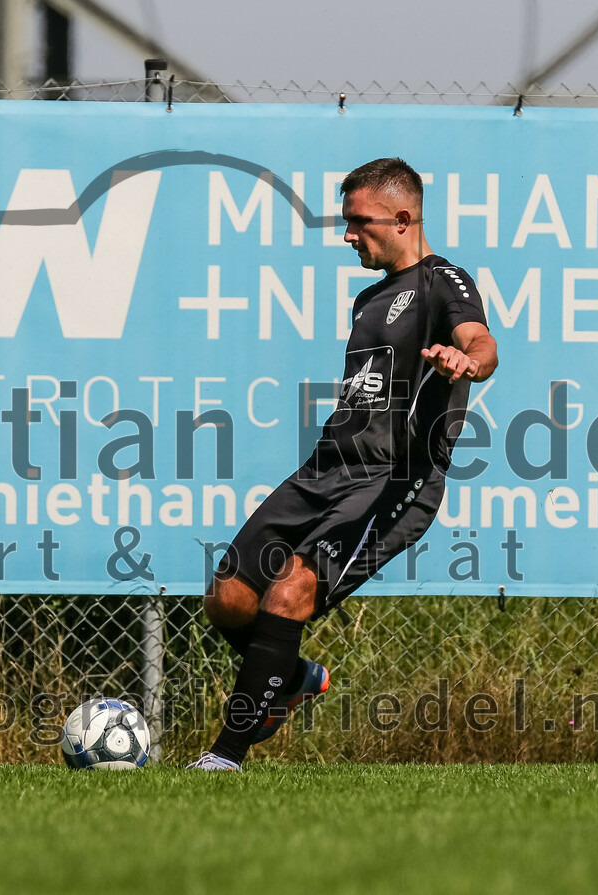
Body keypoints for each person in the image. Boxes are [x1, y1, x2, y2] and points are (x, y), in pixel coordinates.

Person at [188, 157, 498, 770]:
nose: (348, 234)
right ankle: (292, 674)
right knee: (227, 597)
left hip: (394, 479)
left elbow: (482, 342)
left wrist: (468, 363)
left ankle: (225, 757)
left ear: (403, 217)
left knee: (292, 591)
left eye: (359, 221)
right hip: (327, 469)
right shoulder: (368, 298)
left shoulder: (444, 282)